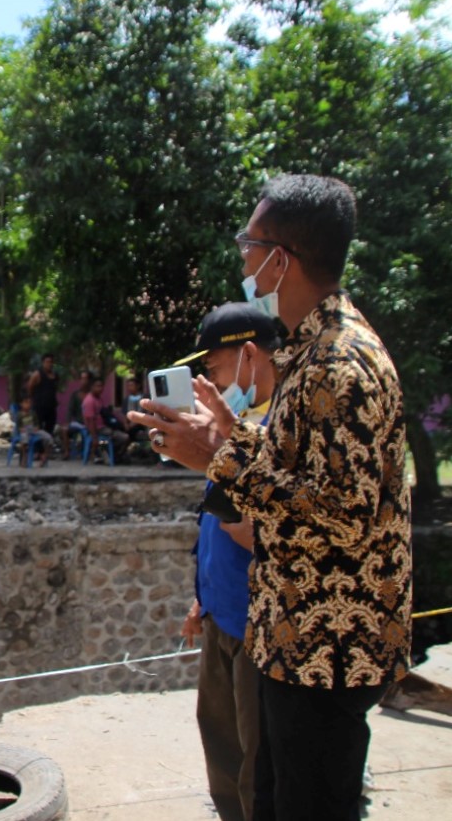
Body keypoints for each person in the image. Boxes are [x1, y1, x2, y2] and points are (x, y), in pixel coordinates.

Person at [131, 175, 411, 821]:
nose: (241, 259)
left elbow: (342, 518)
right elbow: (297, 479)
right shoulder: (311, 351)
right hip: (292, 637)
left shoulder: (343, 365)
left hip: (327, 650)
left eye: (247, 243)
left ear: (279, 259)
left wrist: (218, 456)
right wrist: (228, 437)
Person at [173, 303, 281, 821]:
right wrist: (203, 596)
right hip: (222, 612)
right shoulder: (237, 427)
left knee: (256, 767)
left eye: (214, 369)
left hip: (258, 627)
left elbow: (268, 532)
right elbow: (218, 523)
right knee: (221, 749)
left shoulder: (279, 427)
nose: (210, 381)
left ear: (249, 355)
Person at [82, 378, 128, 462]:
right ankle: (104, 453)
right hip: (98, 429)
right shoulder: (89, 401)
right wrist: (94, 437)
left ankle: (110, 454)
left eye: (102, 386)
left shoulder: (99, 399)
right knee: (123, 437)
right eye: (98, 386)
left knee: (124, 433)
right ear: (92, 387)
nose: (101, 388)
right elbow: (90, 421)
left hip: (104, 426)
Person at [59, 370, 93, 460]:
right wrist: (67, 421)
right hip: (78, 422)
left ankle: (90, 452)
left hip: (90, 423)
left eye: (85, 379)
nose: (83, 381)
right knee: (63, 429)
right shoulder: (75, 394)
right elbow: (70, 409)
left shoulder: (92, 394)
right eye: (81, 378)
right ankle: (66, 452)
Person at [26, 354, 60, 443]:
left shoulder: (55, 375)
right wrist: (32, 399)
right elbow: (30, 387)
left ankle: (46, 450)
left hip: (51, 406)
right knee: (38, 428)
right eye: (47, 362)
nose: (49, 364)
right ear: (43, 363)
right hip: (39, 406)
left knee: (50, 427)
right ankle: (38, 451)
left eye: (51, 362)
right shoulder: (37, 374)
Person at [14, 395, 53, 466]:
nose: (28, 404)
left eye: (29, 403)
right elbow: (18, 425)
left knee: (48, 438)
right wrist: (21, 429)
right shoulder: (19, 415)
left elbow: (36, 423)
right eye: (26, 403)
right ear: (21, 404)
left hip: (33, 430)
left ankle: (45, 456)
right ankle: (25, 457)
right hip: (25, 431)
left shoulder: (33, 413)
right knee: (24, 439)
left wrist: (36, 427)